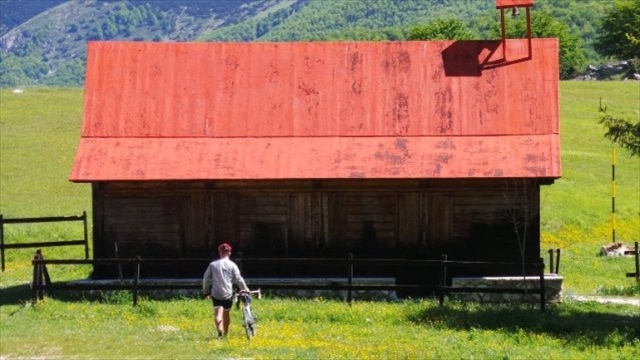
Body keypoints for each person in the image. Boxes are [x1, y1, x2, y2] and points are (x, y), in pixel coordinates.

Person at [203, 243, 249, 339]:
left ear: (219, 252)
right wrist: (245, 289)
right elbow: (238, 279)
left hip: (216, 293)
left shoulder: (213, 264)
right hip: (228, 293)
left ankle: (219, 331)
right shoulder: (232, 265)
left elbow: (206, 278)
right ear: (229, 253)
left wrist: (206, 291)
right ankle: (226, 333)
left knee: (218, 312)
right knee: (226, 313)